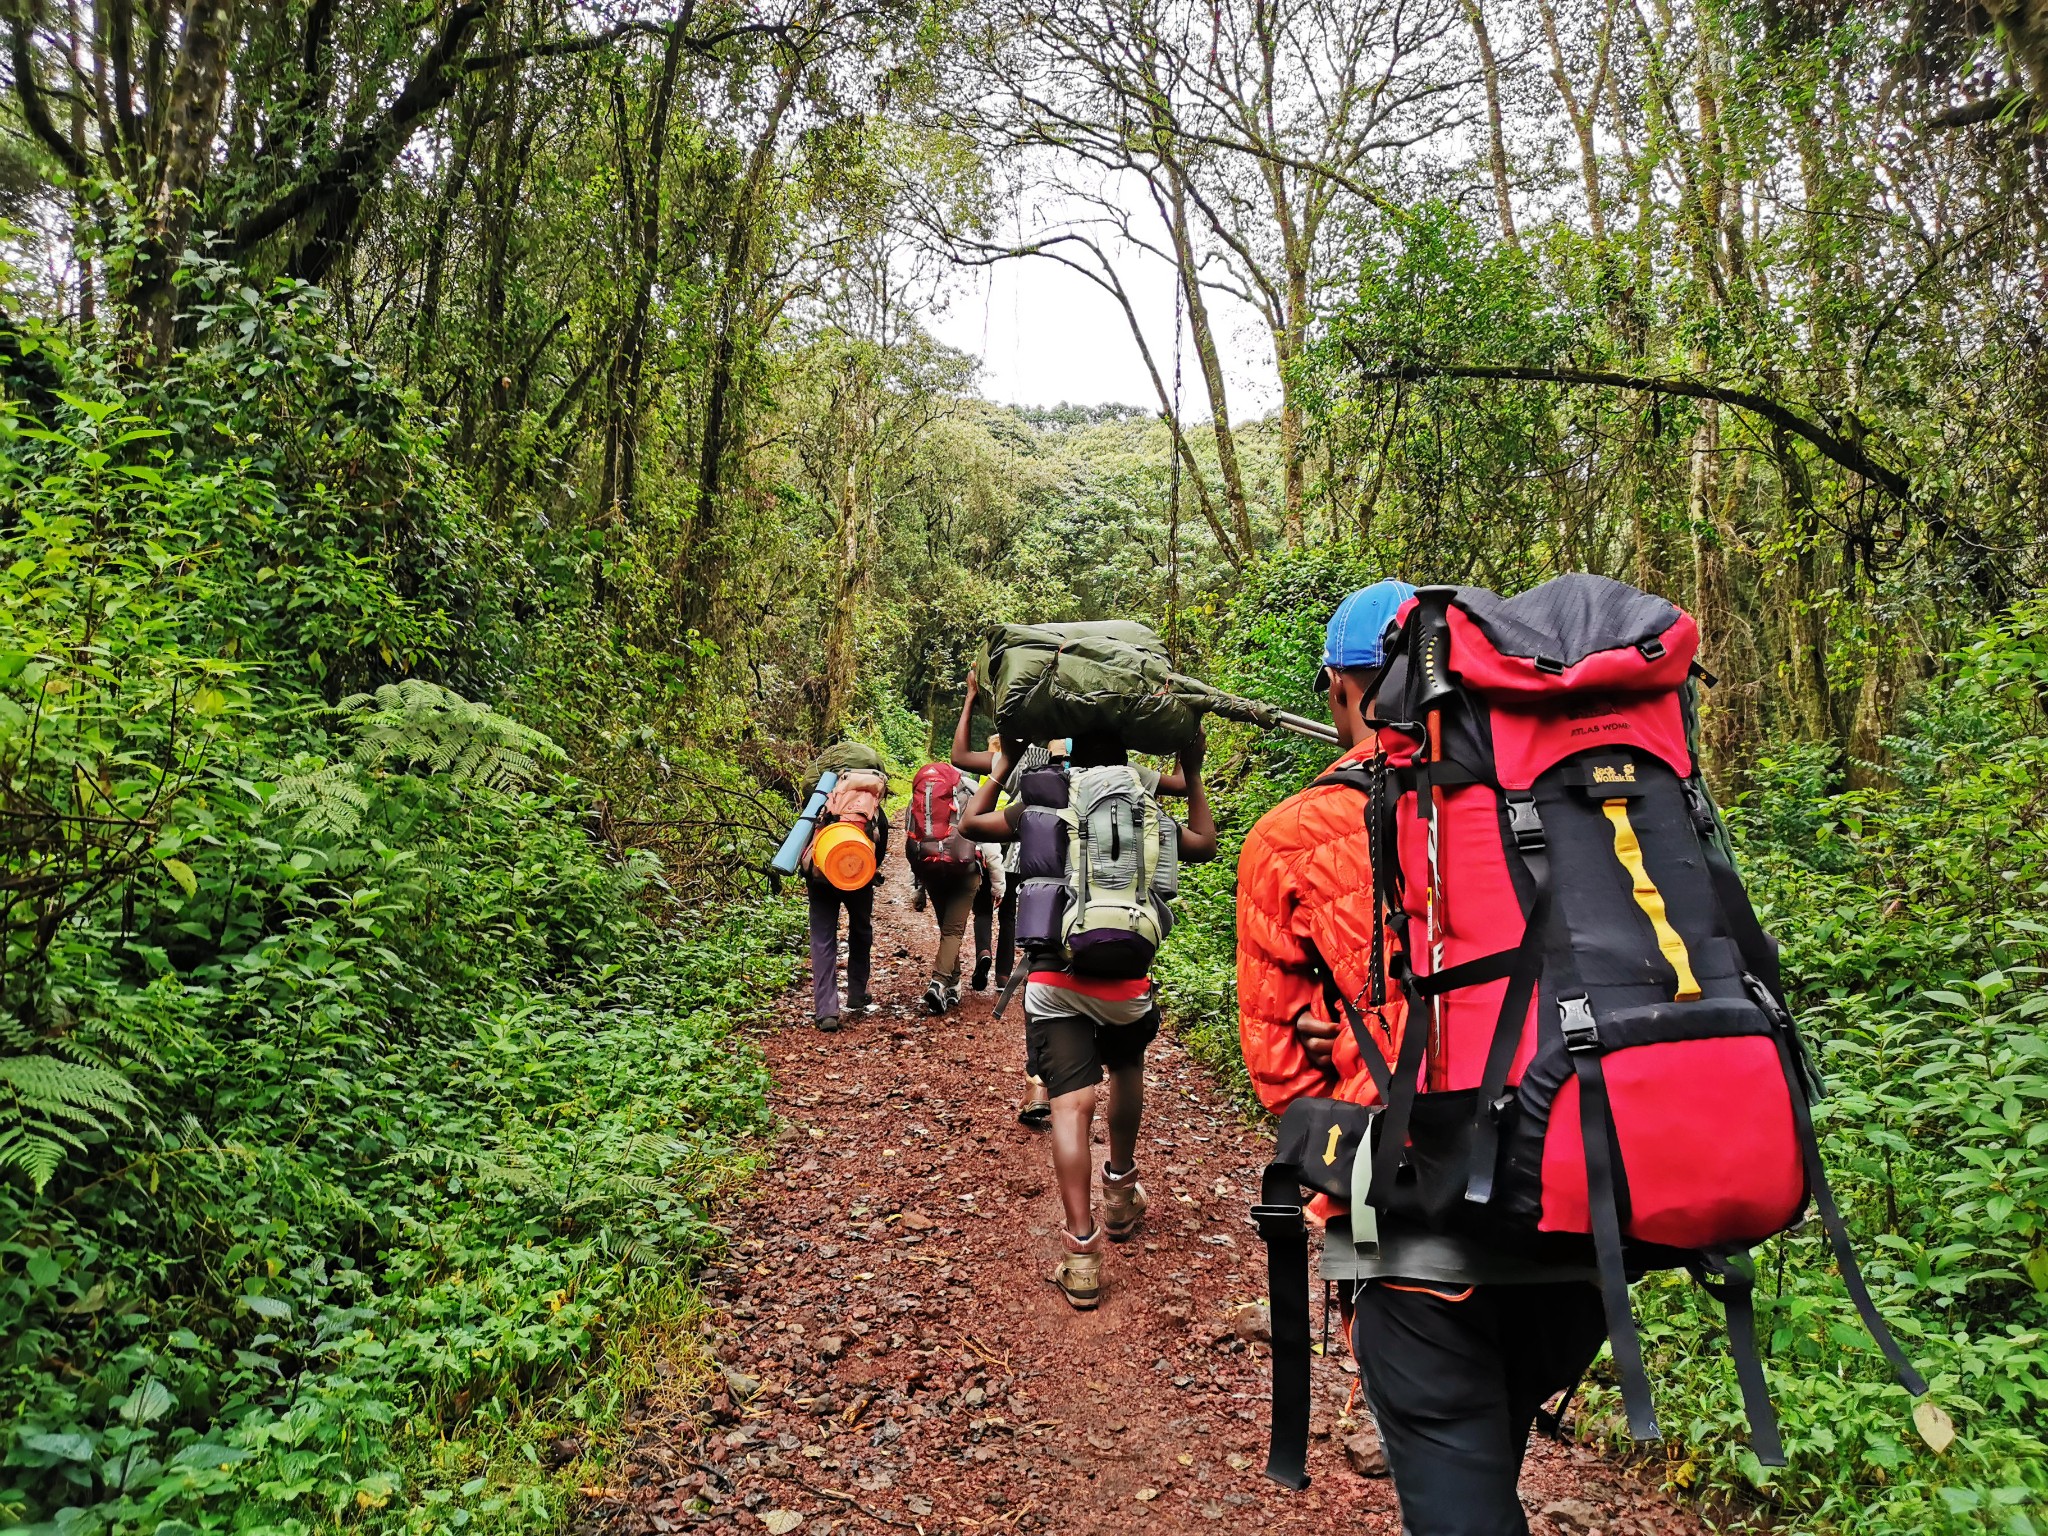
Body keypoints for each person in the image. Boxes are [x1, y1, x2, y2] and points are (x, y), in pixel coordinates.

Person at [1235, 581, 1608, 1536]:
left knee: (1455, 1492)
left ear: (1341, 690)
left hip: (1410, 1227)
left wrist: (1362, 1054)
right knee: (1487, 1458)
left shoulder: (1295, 836)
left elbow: (1281, 1074)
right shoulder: (1561, 801)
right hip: (1581, 1193)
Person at [961, 727, 1216, 1309]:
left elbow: (972, 827)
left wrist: (1000, 766)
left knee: (1070, 1106)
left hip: (1054, 980)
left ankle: (1081, 1255)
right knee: (1126, 1071)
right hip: (1126, 980)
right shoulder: (1142, 805)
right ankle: (1122, 1194)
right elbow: (1204, 840)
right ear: (1127, 756)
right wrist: (1192, 770)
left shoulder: (1044, 799)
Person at [798, 752, 889, 1034]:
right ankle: (857, 992)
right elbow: (880, 848)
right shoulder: (873, 808)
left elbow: (803, 840)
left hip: (821, 877)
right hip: (858, 875)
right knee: (861, 929)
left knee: (822, 937)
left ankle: (826, 1010)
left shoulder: (822, 801)